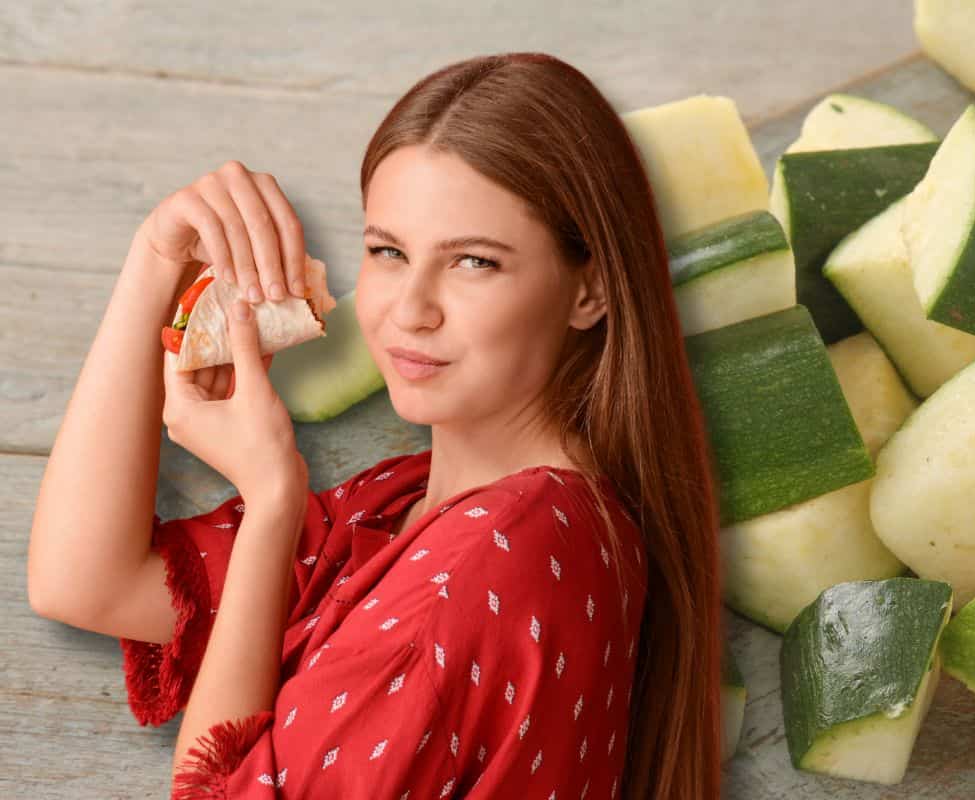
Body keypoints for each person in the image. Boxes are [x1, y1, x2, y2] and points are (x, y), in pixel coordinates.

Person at [27, 51, 724, 799]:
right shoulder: (409, 505)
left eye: (475, 263)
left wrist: (269, 500)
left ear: (590, 290)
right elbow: (87, 580)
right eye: (389, 251)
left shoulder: (493, 556)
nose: (410, 309)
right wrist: (156, 260)